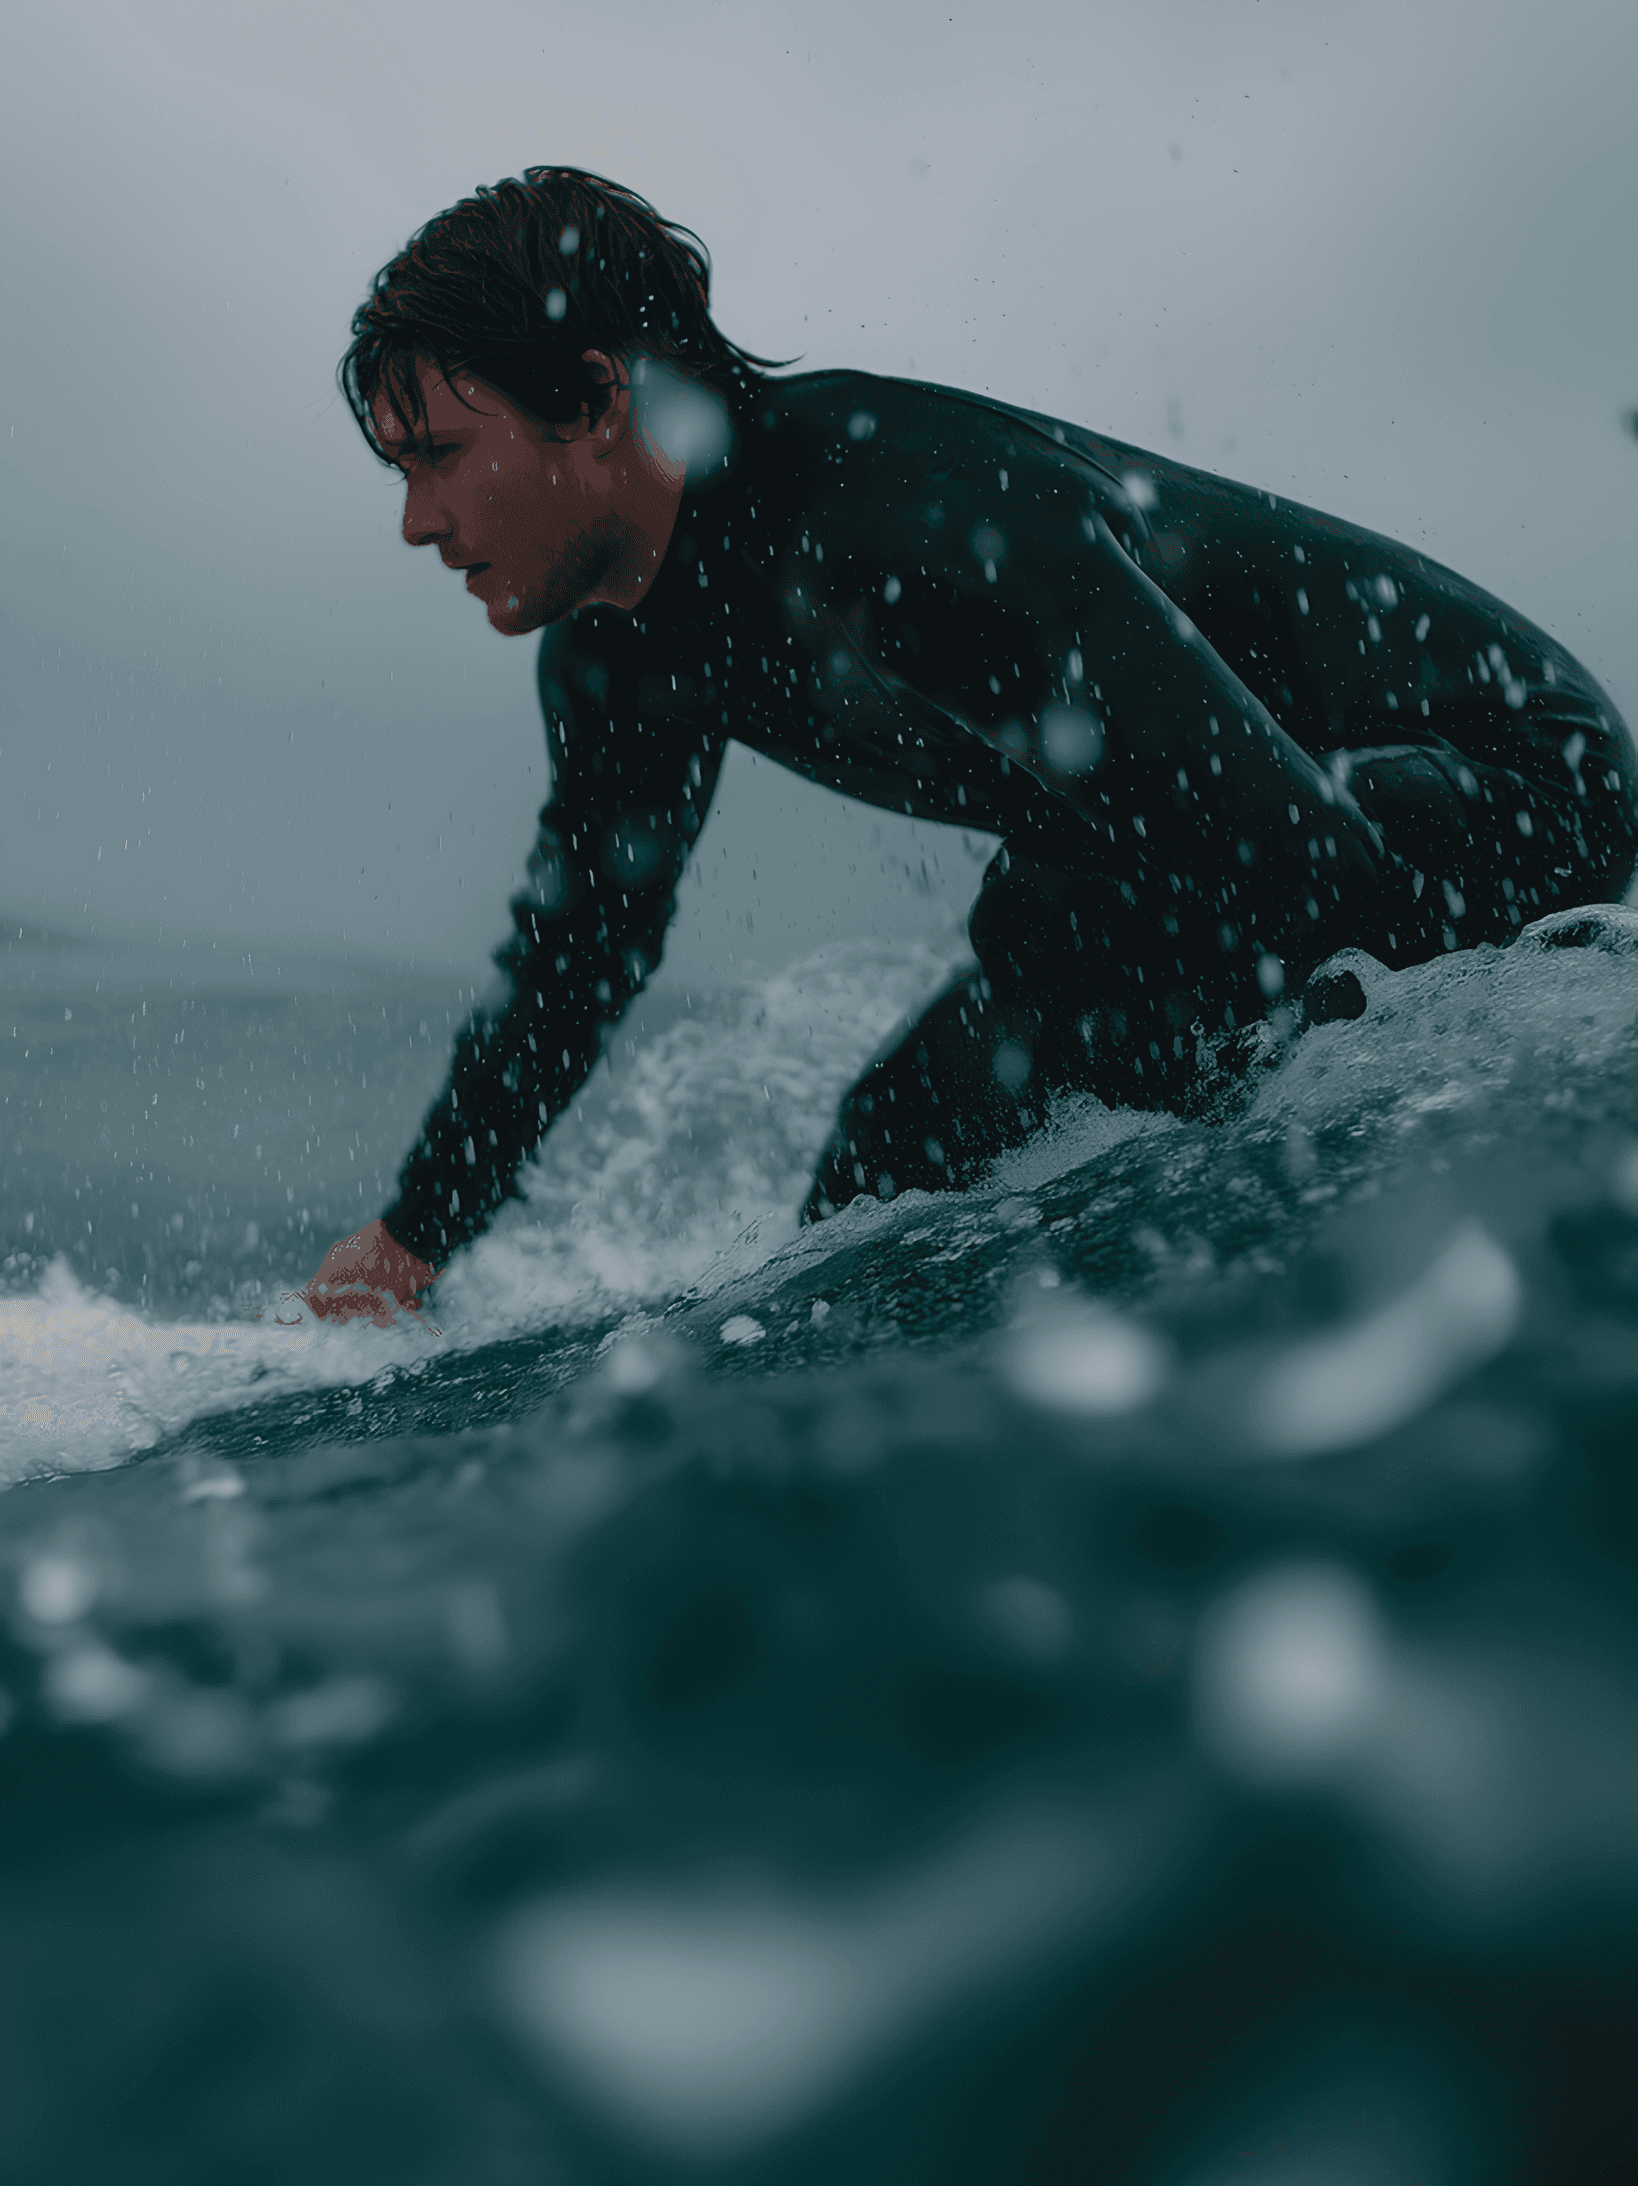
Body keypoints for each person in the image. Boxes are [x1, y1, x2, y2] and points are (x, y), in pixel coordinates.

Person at [290, 166, 1638, 1326]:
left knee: (1055, 966)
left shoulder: (905, 529)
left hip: (1516, 783)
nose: (417, 519)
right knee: (878, 1177)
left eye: (441, 457)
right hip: (1196, 854)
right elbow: (585, 945)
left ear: (591, 403)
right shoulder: (615, 645)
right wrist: (414, 1240)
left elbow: (1294, 868)